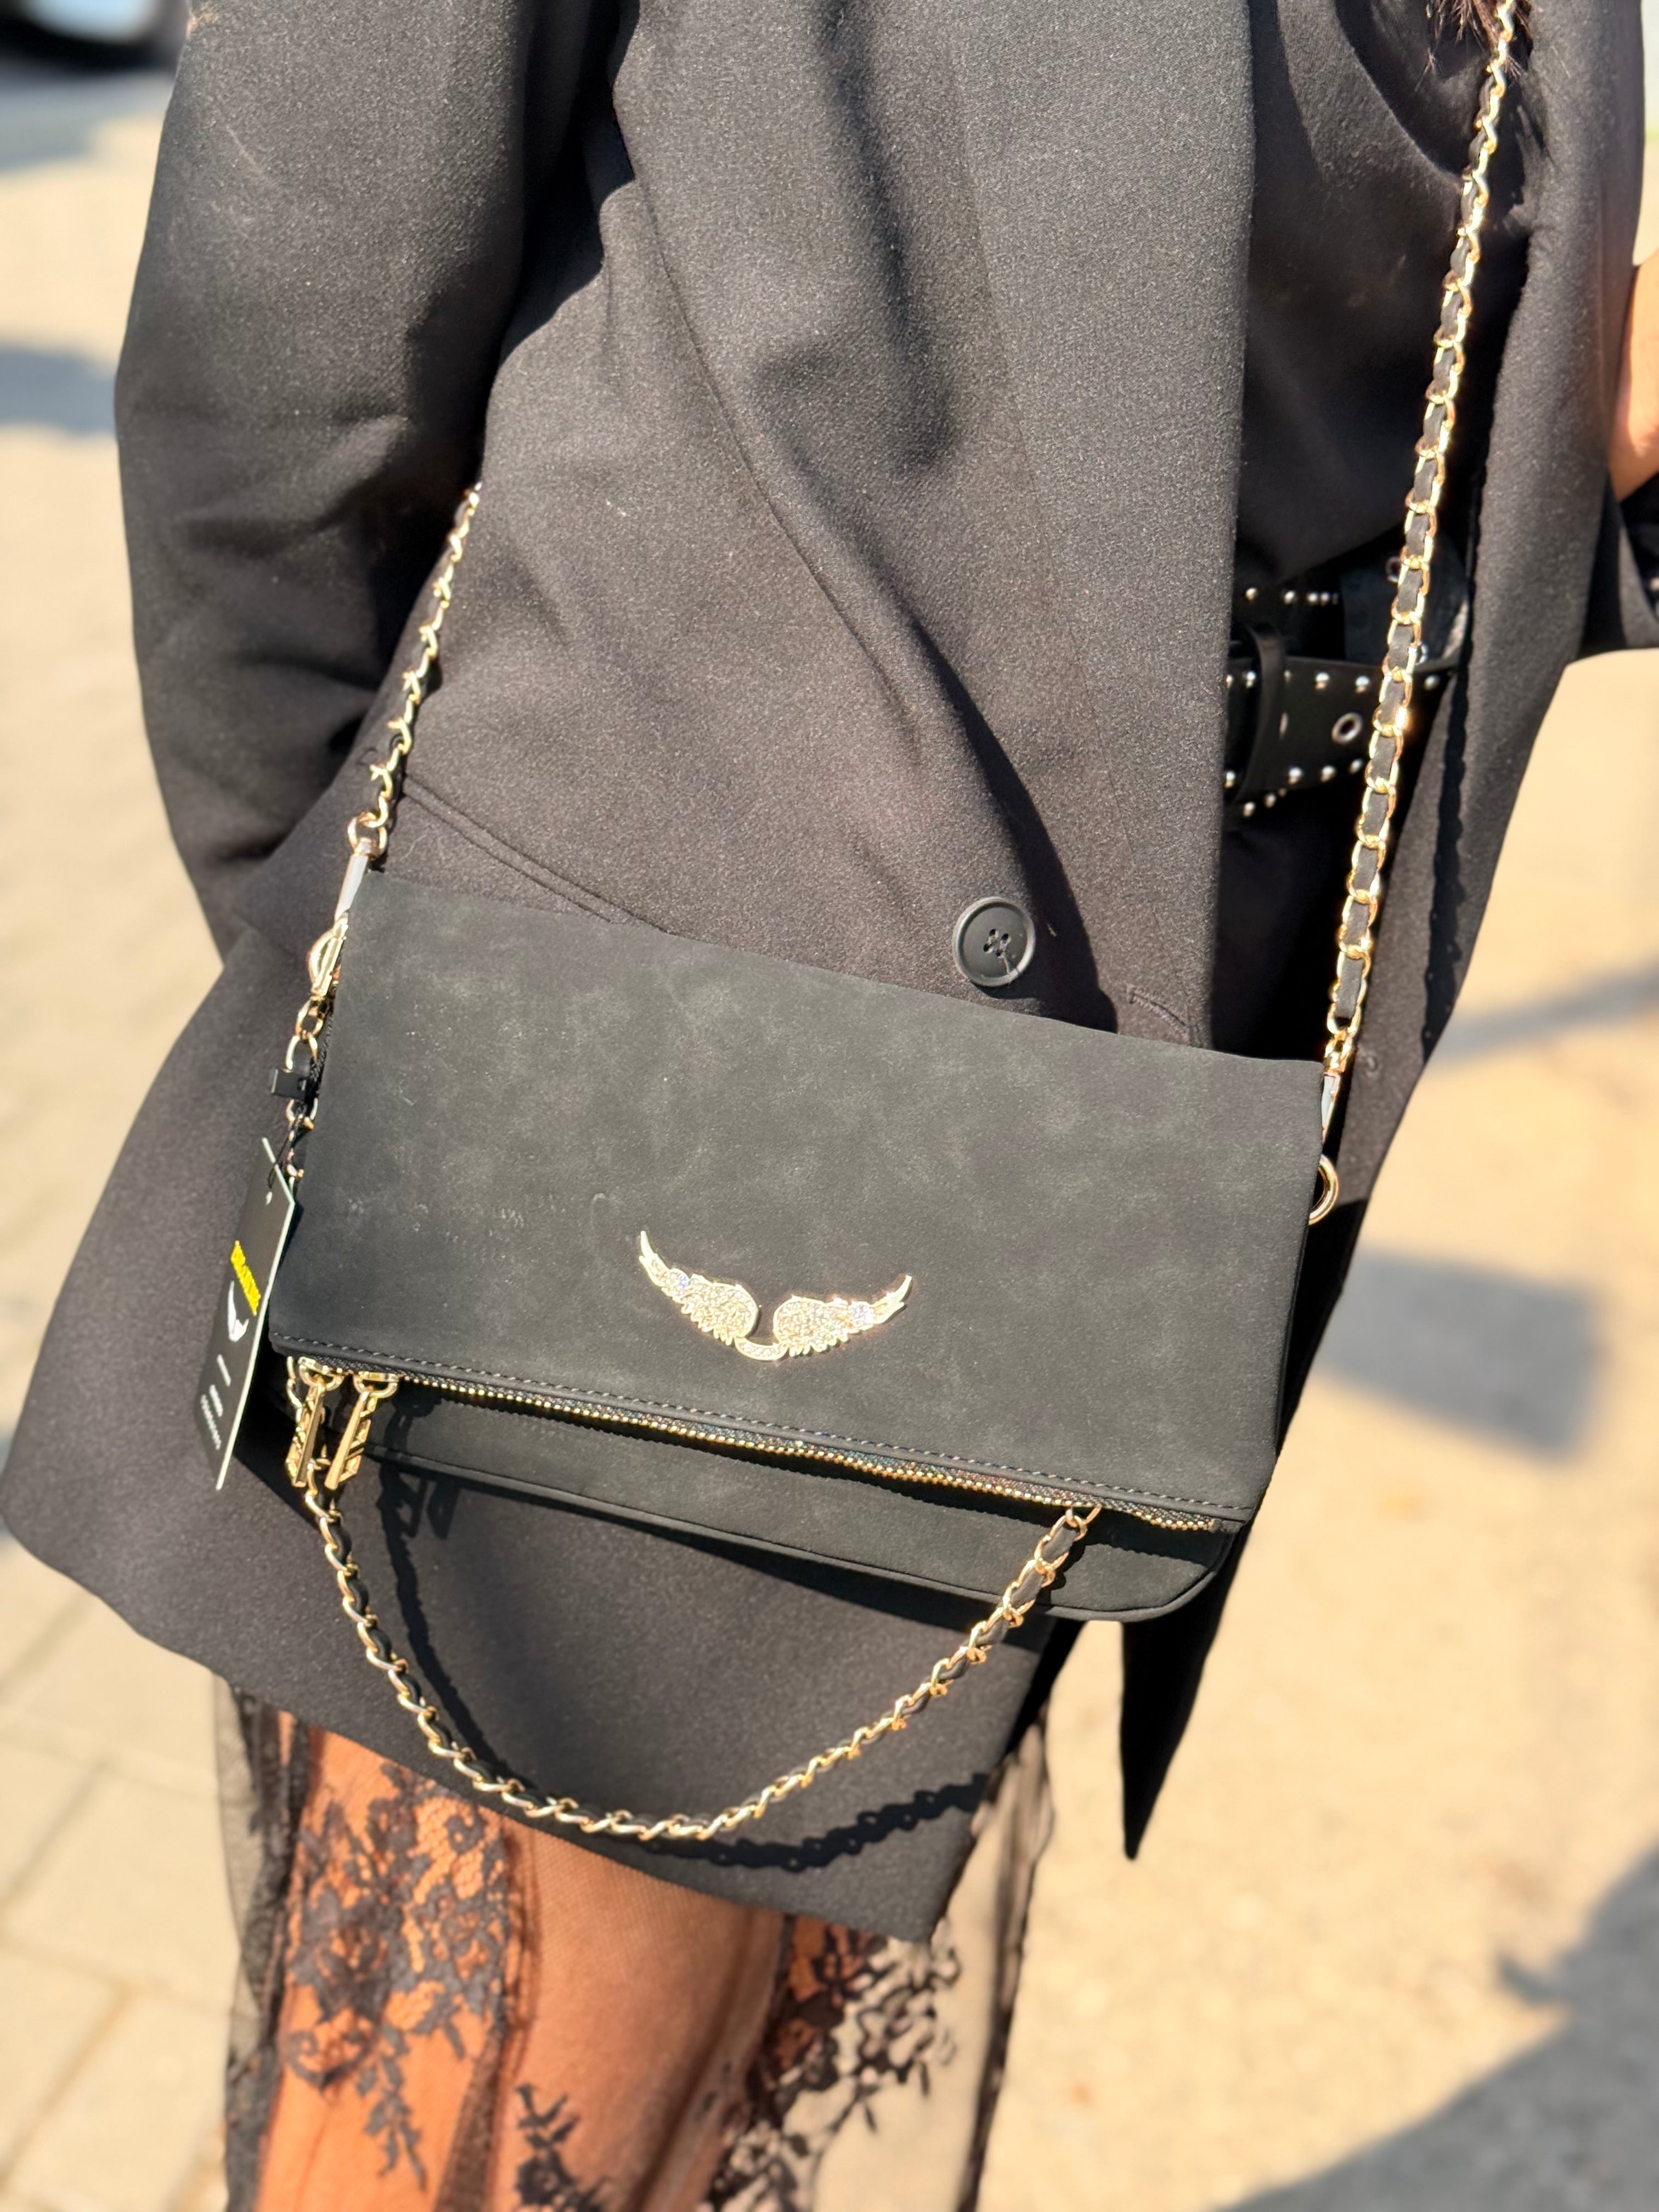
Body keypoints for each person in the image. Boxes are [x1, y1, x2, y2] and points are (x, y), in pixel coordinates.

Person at [5, 0, 1659, 2203]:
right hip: (630, 1102)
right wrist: (389, 968)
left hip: (1054, 1226)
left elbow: (1345, 414)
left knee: (668, 2131)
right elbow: (293, 314)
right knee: (480, 2148)